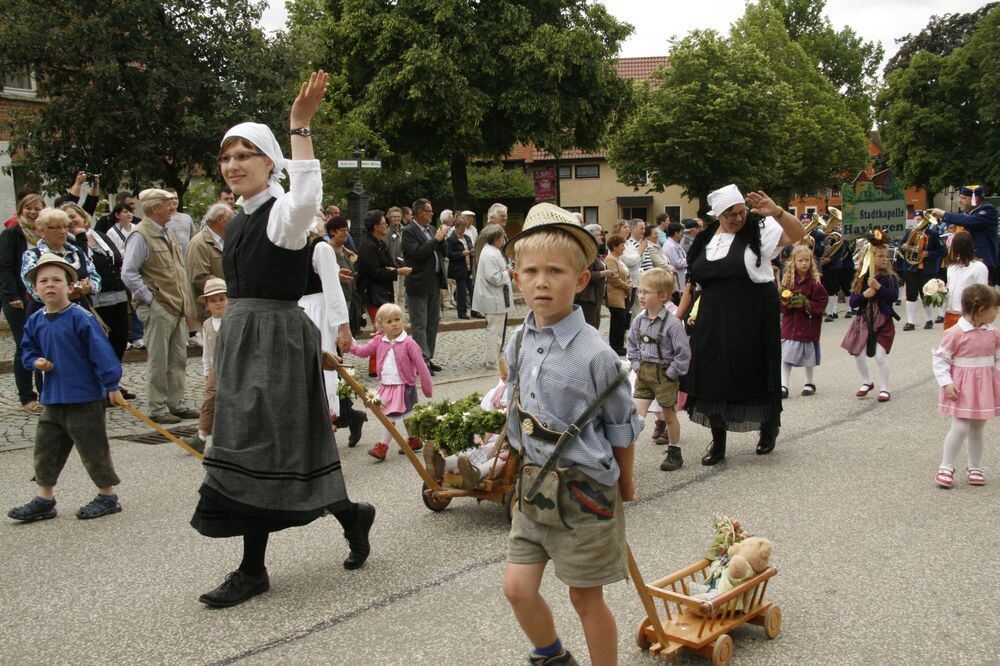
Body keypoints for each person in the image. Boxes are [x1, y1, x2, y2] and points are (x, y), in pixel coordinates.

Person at [191, 72, 376, 609]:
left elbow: (308, 194)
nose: (233, 165)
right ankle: (350, 513)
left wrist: (300, 127)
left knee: (259, 449)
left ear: (270, 161)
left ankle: (252, 571)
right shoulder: (240, 220)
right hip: (248, 340)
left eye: (245, 154)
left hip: (272, 341)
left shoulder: (283, 216)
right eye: (226, 156)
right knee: (274, 448)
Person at [500, 202, 643, 666]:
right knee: (517, 589)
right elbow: (516, 403)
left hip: (586, 493)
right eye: (531, 271)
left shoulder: (597, 355)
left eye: (555, 271)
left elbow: (621, 425)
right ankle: (553, 655)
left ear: (581, 281)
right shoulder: (518, 340)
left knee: (585, 599)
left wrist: (627, 481)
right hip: (534, 485)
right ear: (516, 276)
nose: (542, 282)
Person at [676, 185, 805, 466]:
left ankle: (768, 426)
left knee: (753, 370)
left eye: (740, 212)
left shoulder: (760, 228)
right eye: (729, 215)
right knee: (711, 373)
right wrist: (675, 318)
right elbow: (692, 283)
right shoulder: (706, 237)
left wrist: (779, 212)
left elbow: (797, 235)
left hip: (752, 312)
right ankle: (719, 441)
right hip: (712, 313)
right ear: (717, 215)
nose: (736, 219)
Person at [7, 254, 123, 523]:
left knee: (93, 448)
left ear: (69, 286)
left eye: (57, 280)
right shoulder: (35, 320)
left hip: (84, 397)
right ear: (34, 289)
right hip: (53, 398)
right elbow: (27, 349)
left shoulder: (81, 318)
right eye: (43, 281)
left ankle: (107, 495)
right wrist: (35, 361)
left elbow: (102, 353)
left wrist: (111, 384)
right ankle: (44, 498)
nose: (50, 285)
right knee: (46, 448)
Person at [120, 188, 198, 424]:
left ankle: (175, 404)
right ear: (155, 208)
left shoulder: (167, 231)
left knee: (178, 359)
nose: (172, 206)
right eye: (167, 203)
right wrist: (151, 300)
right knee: (159, 360)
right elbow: (128, 273)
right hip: (159, 306)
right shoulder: (140, 235)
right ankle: (157, 408)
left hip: (174, 305)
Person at [931, 284, 999, 488]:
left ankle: (975, 466)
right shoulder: (956, 333)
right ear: (981, 310)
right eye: (995, 308)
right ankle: (946, 466)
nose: (997, 312)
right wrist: (946, 383)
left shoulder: (993, 333)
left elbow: (997, 357)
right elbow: (941, 360)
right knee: (960, 427)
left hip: (985, 387)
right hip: (961, 389)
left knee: (978, 429)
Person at [348, 303, 432, 461]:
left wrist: (427, 387)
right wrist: (351, 343)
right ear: (381, 325)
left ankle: (382, 446)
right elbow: (363, 351)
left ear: (403, 320)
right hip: (386, 386)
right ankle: (414, 440)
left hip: (404, 387)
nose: (394, 323)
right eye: (389, 321)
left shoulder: (409, 343)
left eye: (397, 319)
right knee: (403, 415)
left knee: (394, 416)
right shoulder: (379, 341)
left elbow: (421, 366)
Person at [61, 203, 131, 391]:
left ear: (83, 216)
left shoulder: (100, 236)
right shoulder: (69, 242)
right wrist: (80, 236)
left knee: (120, 339)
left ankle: (114, 380)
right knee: (101, 343)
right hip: (95, 300)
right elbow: (82, 263)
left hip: (117, 295)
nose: (71, 220)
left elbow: (117, 258)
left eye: (73, 215)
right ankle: (101, 384)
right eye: (66, 217)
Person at [627, 268, 690, 473]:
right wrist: (636, 365)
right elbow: (632, 345)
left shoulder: (673, 324)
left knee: (669, 415)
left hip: (664, 374)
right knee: (636, 416)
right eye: (640, 292)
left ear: (662, 296)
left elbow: (683, 354)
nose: (641, 295)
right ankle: (623, 455)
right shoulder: (638, 320)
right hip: (644, 373)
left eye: (646, 292)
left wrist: (671, 373)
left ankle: (674, 451)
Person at [298, 216, 352, 424]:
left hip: (314, 307)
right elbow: (332, 288)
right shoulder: (315, 247)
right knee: (318, 362)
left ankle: (329, 414)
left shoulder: (314, 247)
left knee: (325, 360)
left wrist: (342, 327)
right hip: (311, 307)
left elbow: (331, 287)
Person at [0, 193, 45, 414]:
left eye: (38, 208)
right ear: (21, 210)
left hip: (38, 297)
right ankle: (27, 397)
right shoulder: (12, 233)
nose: (33, 212)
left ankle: (45, 393)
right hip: (17, 298)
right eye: (29, 208)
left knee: (40, 344)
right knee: (24, 345)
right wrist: (11, 295)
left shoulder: (43, 234)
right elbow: (5, 266)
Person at [841, 237, 899, 403]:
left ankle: (885, 388)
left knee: (880, 356)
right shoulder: (861, 278)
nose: (884, 259)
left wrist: (879, 287)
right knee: (858, 354)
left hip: (883, 320)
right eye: (879, 256)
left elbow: (893, 297)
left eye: (885, 256)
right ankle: (867, 381)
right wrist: (865, 294)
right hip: (864, 320)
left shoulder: (889, 278)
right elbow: (853, 302)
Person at [357, 209, 412, 376]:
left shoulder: (379, 242)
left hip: (382, 290)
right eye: (383, 224)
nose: (386, 226)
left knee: (383, 329)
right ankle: (375, 366)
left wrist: (393, 269)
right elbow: (375, 271)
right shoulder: (368, 245)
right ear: (375, 227)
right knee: (381, 329)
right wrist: (397, 272)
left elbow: (386, 264)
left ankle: (380, 364)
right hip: (373, 293)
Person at [20, 208, 100, 316]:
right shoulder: (32, 255)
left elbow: (96, 281)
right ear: (41, 231)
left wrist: (89, 287)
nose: (63, 231)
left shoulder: (77, 252)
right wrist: (72, 293)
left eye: (65, 227)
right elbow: (35, 292)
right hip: (48, 317)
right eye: (56, 228)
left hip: (81, 314)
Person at [180, 278, 229, 455]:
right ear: (206, 305)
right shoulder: (207, 325)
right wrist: (207, 371)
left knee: (230, 402)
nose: (218, 304)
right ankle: (200, 436)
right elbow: (207, 351)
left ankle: (228, 436)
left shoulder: (233, 321)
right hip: (216, 369)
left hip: (233, 369)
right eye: (213, 301)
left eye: (221, 299)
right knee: (209, 401)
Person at [402, 198, 448, 372]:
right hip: (418, 283)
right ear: (420, 212)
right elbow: (417, 254)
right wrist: (436, 240)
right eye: (429, 211)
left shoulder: (432, 229)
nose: (431, 214)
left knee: (432, 322)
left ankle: (429, 357)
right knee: (420, 324)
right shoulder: (409, 231)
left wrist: (442, 239)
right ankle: (421, 361)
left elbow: (443, 251)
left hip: (434, 282)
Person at [779, 244, 829, 398]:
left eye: (807, 260)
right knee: (786, 356)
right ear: (794, 262)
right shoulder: (788, 283)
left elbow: (822, 302)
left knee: (809, 356)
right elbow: (781, 304)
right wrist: (786, 303)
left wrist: (806, 305)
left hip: (807, 326)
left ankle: (809, 382)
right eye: (800, 260)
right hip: (790, 326)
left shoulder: (815, 284)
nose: (804, 263)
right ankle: (783, 385)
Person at [929, 185, 998, 285]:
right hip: (968, 260)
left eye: (964, 198)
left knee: (981, 295)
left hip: (984, 261)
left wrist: (943, 214)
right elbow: (963, 219)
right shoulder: (971, 213)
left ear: (975, 199)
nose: (961, 201)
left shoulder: (988, 210)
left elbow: (968, 221)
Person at [471, 224, 513, 369]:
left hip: (494, 297)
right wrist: (508, 273)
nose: (503, 240)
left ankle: (492, 359)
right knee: (495, 331)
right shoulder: (491, 253)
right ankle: (492, 361)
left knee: (495, 330)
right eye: (502, 237)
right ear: (496, 238)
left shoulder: (491, 251)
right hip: (493, 298)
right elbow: (493, 277)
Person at [895, 211, 945, 331]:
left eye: (920, 220)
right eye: (916, 220)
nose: (918, 222)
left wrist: (929, 253)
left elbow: (942, 250)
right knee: (910, 295)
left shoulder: (932, 234)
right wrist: (904, 247)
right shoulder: (910, 233)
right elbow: (902, 246)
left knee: (926, 295)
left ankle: (929, 319)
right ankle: (910, 322)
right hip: (911, 268)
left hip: (926, 269)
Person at [187, 202, 232, 321]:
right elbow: (199, 277)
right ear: (220, 219)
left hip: (227, 306)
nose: (233, 223)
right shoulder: (199, 243)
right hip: (210, 311)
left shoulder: (226, 240)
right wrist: (226, 289)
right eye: (230, 219)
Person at [942, 231, 990, 330]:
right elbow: (950, 288)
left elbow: (983, 294)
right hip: (950, 314)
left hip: (968, 316)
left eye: (952, 246)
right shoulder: (951, 267)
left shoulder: (979, 267)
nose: (950, 250)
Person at [574, 223, 611, 329]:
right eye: (600, 234)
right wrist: (603, 273)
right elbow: (582, 273)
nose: (603, 237)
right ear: (591, 235)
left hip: (595, 297)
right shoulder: (586, 252)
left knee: (594, 326)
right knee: (588, 328)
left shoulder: (594, 252)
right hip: (586, 298)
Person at [604, 234, 631, 355]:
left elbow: (624, 274)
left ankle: (619, 345)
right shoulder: (610, 259)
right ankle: (615, 346)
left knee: (621, 320)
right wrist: (627, 286)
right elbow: (613, 278)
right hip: (614, 295)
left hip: (621, 294)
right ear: (614, 247)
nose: (624, 248)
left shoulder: (618, 260)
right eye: (622, 245)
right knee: (617, 320)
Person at [446, 216, 475, 319]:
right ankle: (461, 313)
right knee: (462, 292)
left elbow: (471, 247)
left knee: (473, 290)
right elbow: (449, 254)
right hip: (458, 269)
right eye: (461, 229)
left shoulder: (467, 237)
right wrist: (462, 253)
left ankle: (475, 311)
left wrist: (472, 251)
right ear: (456, 228)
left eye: (464, 229)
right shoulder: (451, 239)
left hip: (469, 268)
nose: (463, 231)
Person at [163, 188, 197, 257]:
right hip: (171, 259)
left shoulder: (187, 217)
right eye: (171, 198)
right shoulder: (163, 220)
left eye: (176, 198)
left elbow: (194, 239)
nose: (174, 201)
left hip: (187, 260)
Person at [661, 221, 687, 305]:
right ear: (676, 232)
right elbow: (677, 263)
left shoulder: (676, 244)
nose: (681, 234)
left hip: (681, 279)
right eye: (680, 232)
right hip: (677, 280)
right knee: (678, 304)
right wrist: (689, 261)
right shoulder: (670, 246)